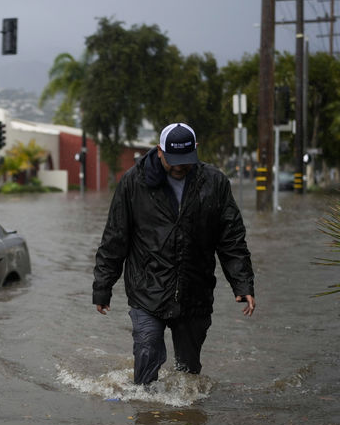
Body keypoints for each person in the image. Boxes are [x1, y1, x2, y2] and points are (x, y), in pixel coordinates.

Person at [92, 123, 255, 385]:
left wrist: (243, 282)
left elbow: (231, 239)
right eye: (173, 160)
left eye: (186, 160)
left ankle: (184, 421)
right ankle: (144, 414)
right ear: (159, 151)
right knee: (147, 351)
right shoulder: (134, 182)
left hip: (195, 291)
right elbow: (115, 238)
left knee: (188, 374)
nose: (180, 166)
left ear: (196, 150)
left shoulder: (214, 183)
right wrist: (103, 287)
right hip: (148, 287)